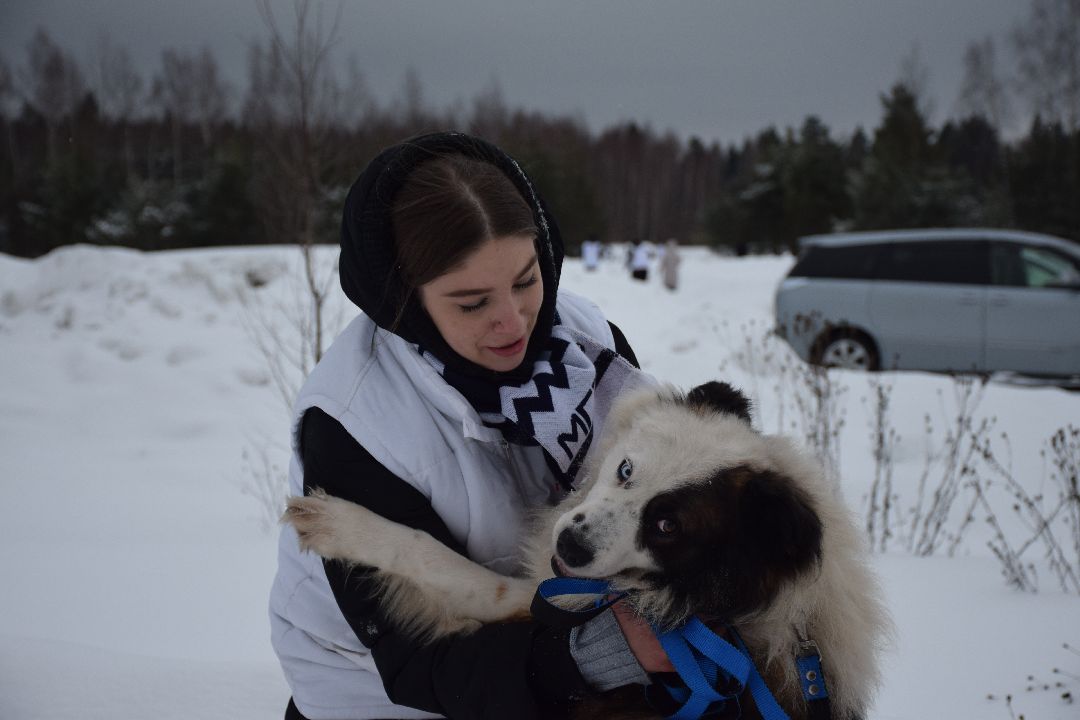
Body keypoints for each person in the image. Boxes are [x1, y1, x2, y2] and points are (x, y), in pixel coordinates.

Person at [269, 132, 670, 720]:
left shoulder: (589, 351)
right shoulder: (355, 424)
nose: (514, 323)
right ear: (406, 301)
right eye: (471, 302)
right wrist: (595, 655)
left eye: (527, 279)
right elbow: (423, 659)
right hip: (384, 690)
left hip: (561, 638)